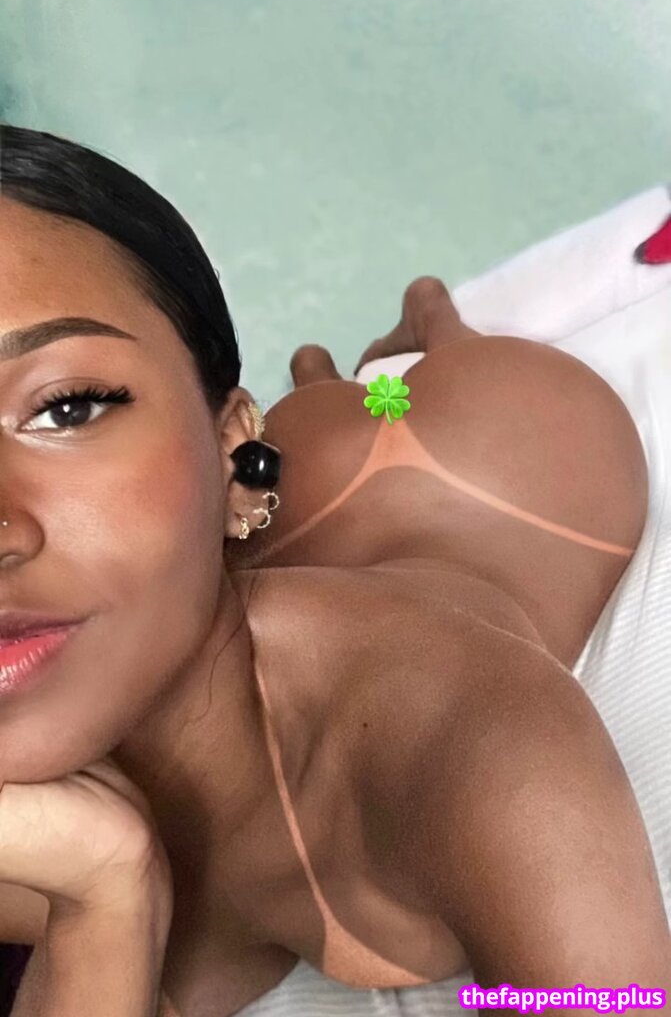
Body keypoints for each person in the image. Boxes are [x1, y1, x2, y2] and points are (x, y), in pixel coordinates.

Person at [0, 124, 669, 1017]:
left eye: (67, 407)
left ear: (230, 446)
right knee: (321, 406)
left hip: (504, 455)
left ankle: (420, 342)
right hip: (286, 496)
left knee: (422, 367)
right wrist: (100, 898)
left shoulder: (472, 739)